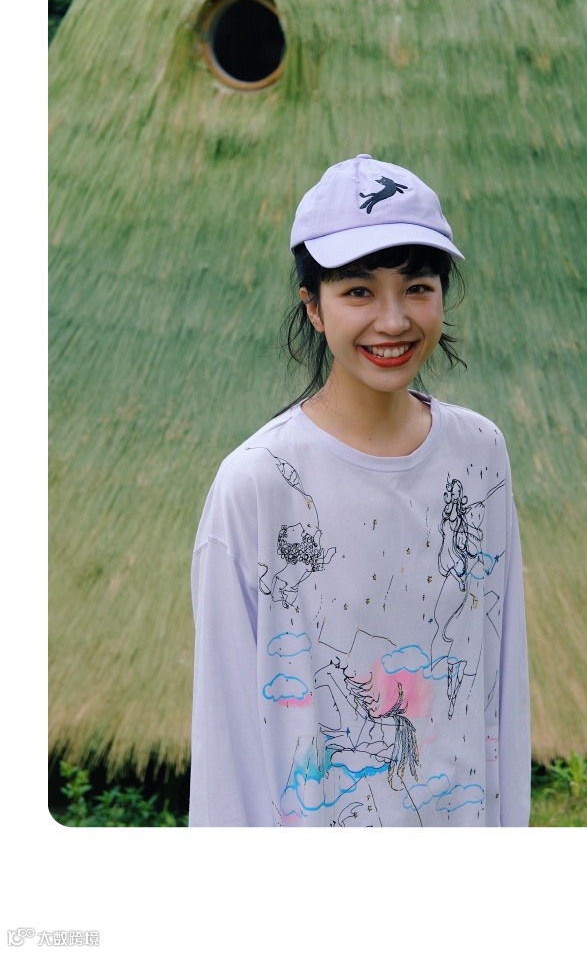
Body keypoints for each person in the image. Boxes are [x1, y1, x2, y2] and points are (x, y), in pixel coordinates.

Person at [189, 154, 530, 827]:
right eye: (358, 292)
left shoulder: (479, 454)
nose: (394, 320)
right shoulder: (258, 483)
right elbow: (226, 733)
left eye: (418, 287)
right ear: (312, 307)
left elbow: (500, 679)